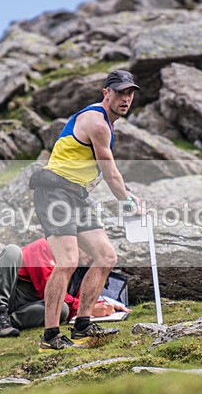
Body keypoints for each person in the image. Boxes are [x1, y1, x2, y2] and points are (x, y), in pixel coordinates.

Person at [30, 69, 143, 352]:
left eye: (130, 93)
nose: (125, 98)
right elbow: (110, 174)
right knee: (67, 261)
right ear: (106, 93)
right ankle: (50, 337)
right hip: (54, 192)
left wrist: (128, 195)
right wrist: (128, 201)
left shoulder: (107, 122)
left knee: (106, 256)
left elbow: (110, 173)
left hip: (76, 195)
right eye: (119, 92)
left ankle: (82, 325)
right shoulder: (97, 122)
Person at [0, 237, 130, 337]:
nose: (93, 256)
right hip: (0, 293)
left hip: (26, 306)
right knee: (12, 251)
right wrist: (90, 309)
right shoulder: (45, 246)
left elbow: (73, 302)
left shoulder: (81, 268)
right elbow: (47, 288)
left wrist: (102, 302)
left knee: (62, 310)